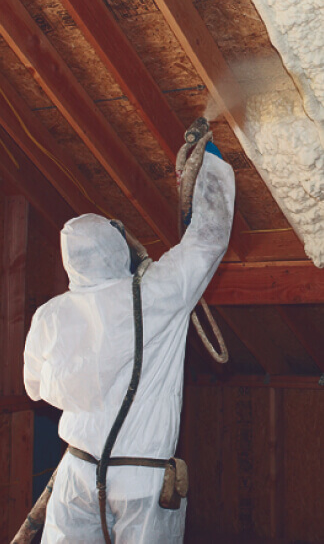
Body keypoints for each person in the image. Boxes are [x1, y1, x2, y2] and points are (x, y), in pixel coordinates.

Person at [24, 139, 235, 543]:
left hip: (75, 475)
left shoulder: (49, 314)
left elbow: (36, 387)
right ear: (115, 247)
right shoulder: (155, 292)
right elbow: (206, 241)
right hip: (142, 484)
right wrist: (210, 168)